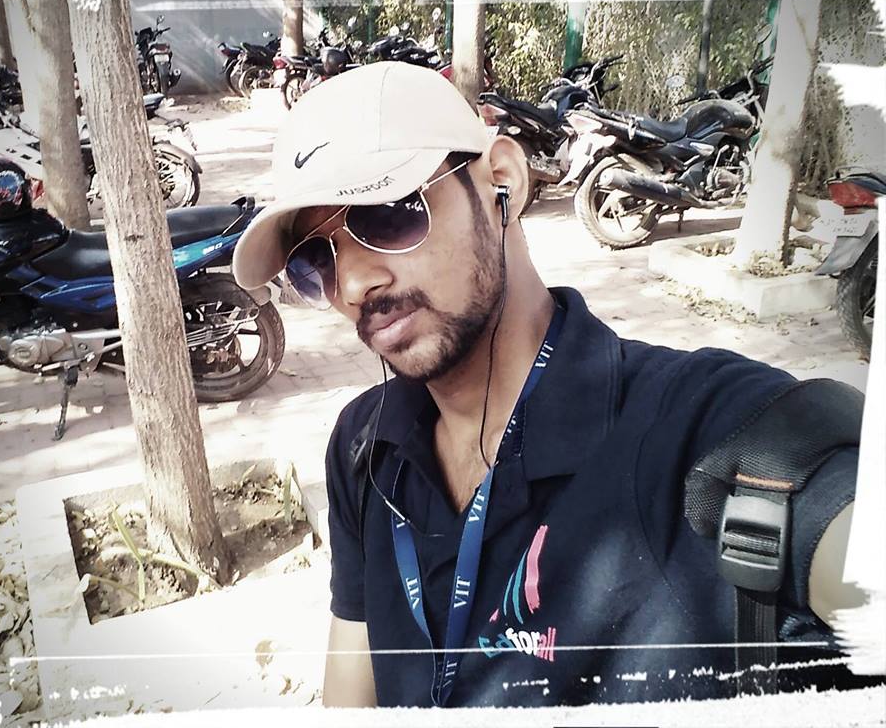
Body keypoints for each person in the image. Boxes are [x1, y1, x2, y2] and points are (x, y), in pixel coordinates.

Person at [232, 61, 871, 707]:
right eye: (315, 260)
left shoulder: (699, 430)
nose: (351, 285)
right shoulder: (364, 450)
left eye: (388, 214)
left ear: (502, 181)